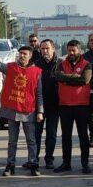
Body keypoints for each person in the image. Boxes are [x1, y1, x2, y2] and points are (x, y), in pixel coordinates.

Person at [0, 41, 44, 176]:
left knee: (31, 140)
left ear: (30, 56)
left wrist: (40, 111)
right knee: (12, 141)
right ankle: (10, 165)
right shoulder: (10, 68)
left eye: (25, 54)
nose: (22, 56)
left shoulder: (36, 72)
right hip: (12, 110)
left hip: (29, 111)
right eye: (20, 54)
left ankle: (33, 164)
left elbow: (39, 93)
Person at [55, 39, 93, 174]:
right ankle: (66, 163)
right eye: (69, 50)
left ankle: (85, 163)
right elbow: (57, 76)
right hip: (65, 106)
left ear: (79, 50)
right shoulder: (61, 63)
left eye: (74, 50)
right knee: (66, 136)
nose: (71, 53)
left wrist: (67, 79)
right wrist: (73, 77)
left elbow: (84, 80)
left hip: (81, 106)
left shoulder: (86, 64)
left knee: (83, 136)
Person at [34, 39, 62, 169]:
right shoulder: (35, 65)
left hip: (54, 105)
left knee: (51, 134)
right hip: (38, 105)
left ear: (53, 49)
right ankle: (34, 159)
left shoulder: (61, 63)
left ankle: (49, 159)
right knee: (36, 134)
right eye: (43, 49)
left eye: (47, 48)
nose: (45, 51)